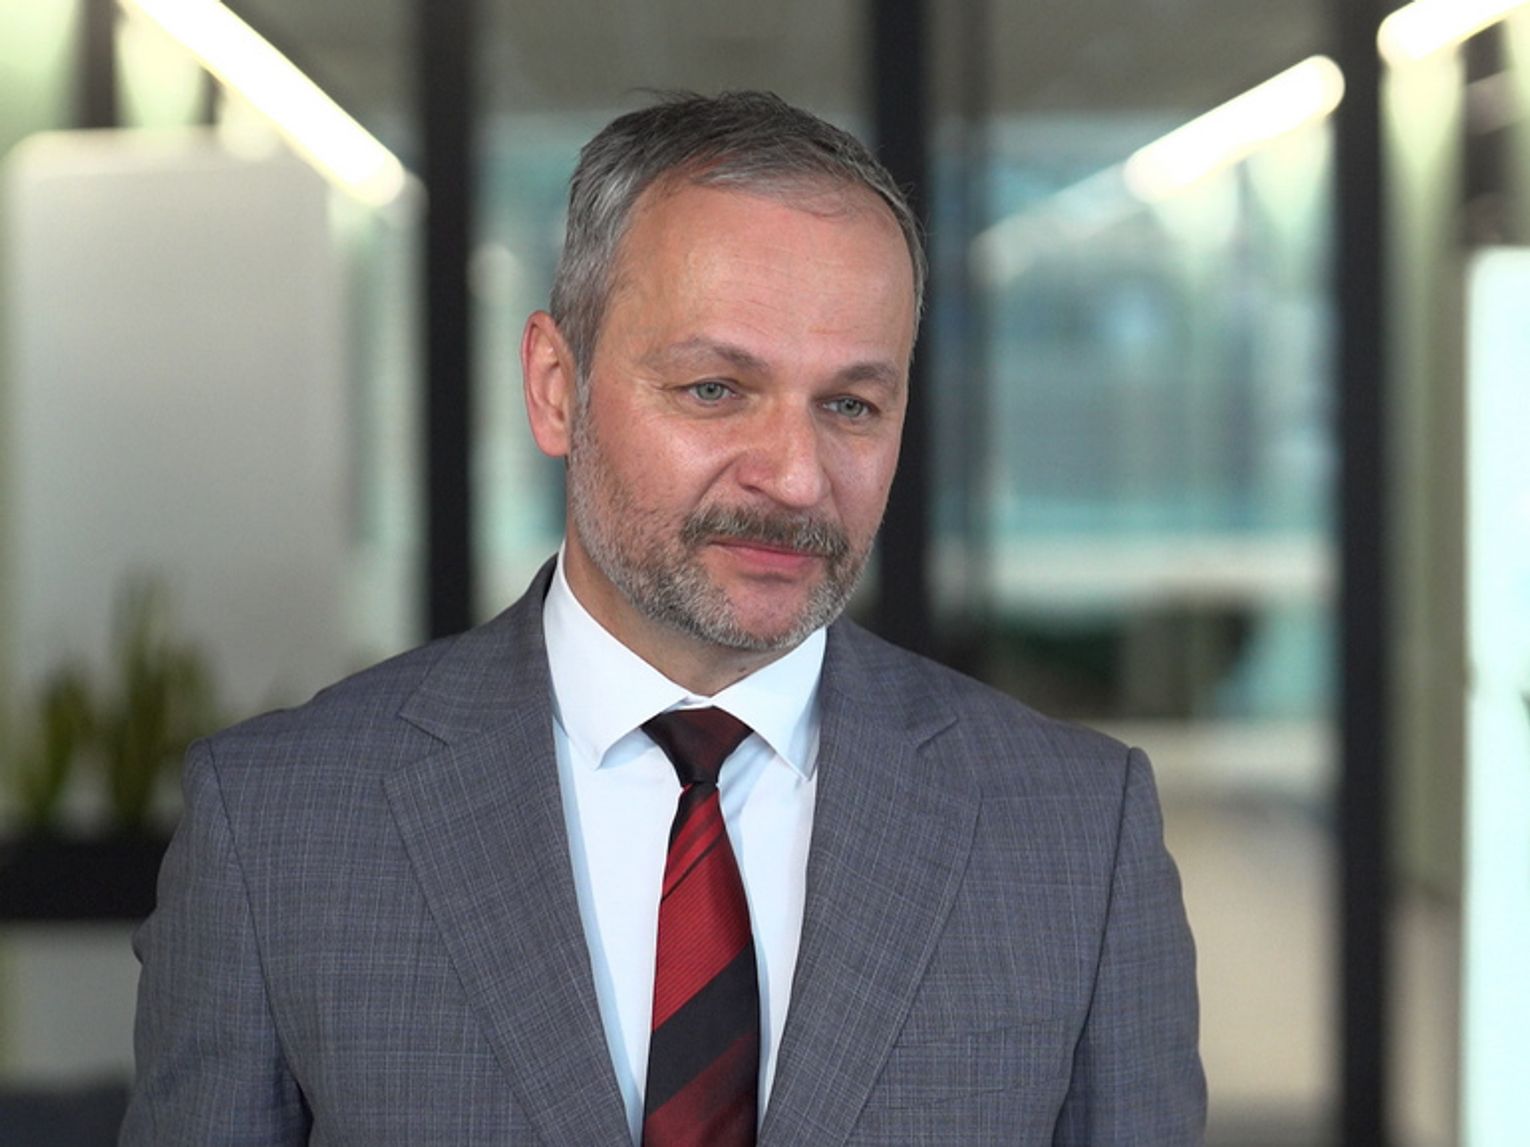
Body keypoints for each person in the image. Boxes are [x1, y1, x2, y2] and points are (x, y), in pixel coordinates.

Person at [121, 91, 1205, 1146]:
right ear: (556, 387)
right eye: (714, 390)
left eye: (851, 405)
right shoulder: (278, 827)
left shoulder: (1077, 836)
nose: (795, 477)